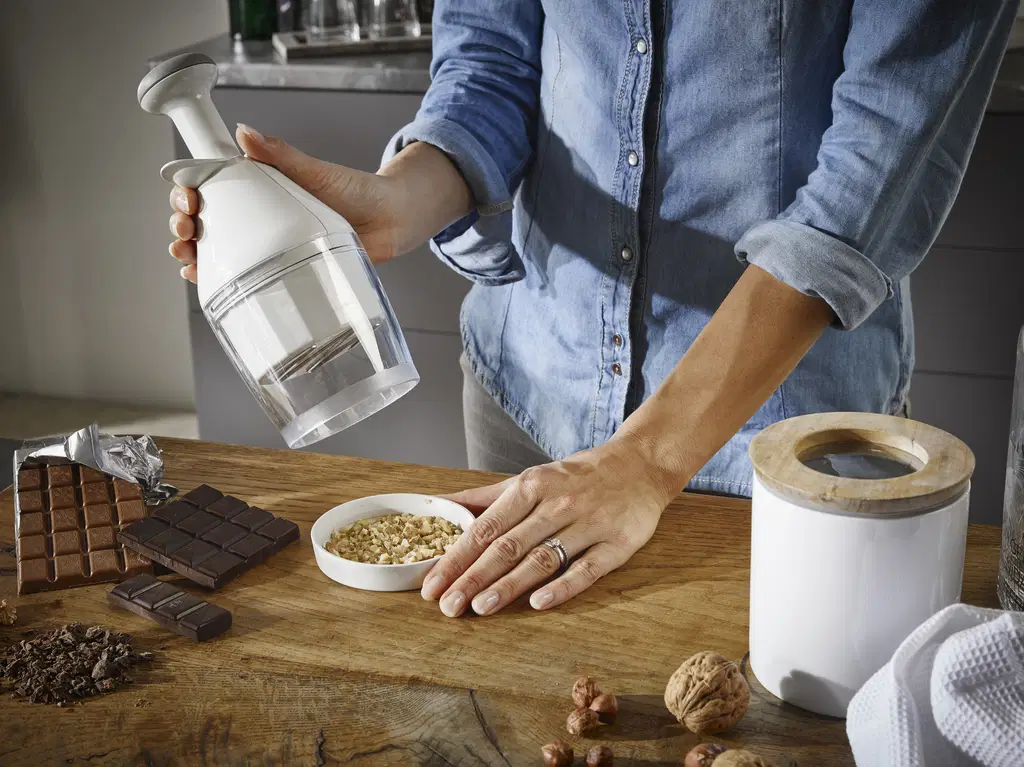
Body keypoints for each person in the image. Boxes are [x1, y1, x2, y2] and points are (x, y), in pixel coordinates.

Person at [167, 1, 1016, 618]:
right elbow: (491, 61)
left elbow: (867, 187)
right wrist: (396, 201)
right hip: (533, 392)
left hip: (781, 442)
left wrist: (644, 461)